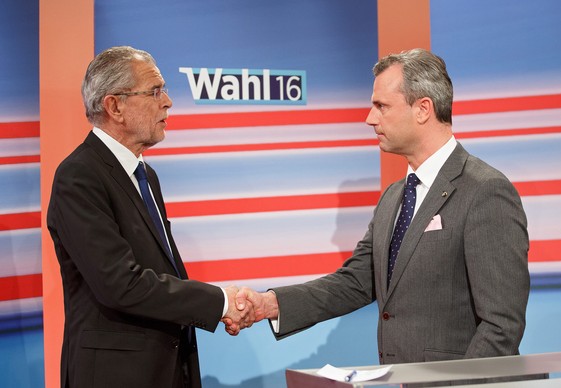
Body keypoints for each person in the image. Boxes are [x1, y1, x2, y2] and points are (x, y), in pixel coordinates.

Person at [229, 48, 531, 366]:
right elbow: (356, 282)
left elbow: (502, 327)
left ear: (423, 109)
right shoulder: (393, 198)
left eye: (381, 106)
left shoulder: (485, 191)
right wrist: (268, 304)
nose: (370, 118)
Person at [47, 46, 253, 388]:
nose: (168, 102)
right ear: (115, 106)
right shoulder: (79, 176)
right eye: (155, 91)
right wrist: (220, 302)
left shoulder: (145, 175)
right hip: (116, 376)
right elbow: (121, 285)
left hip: (168, 367)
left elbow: (160, 268)